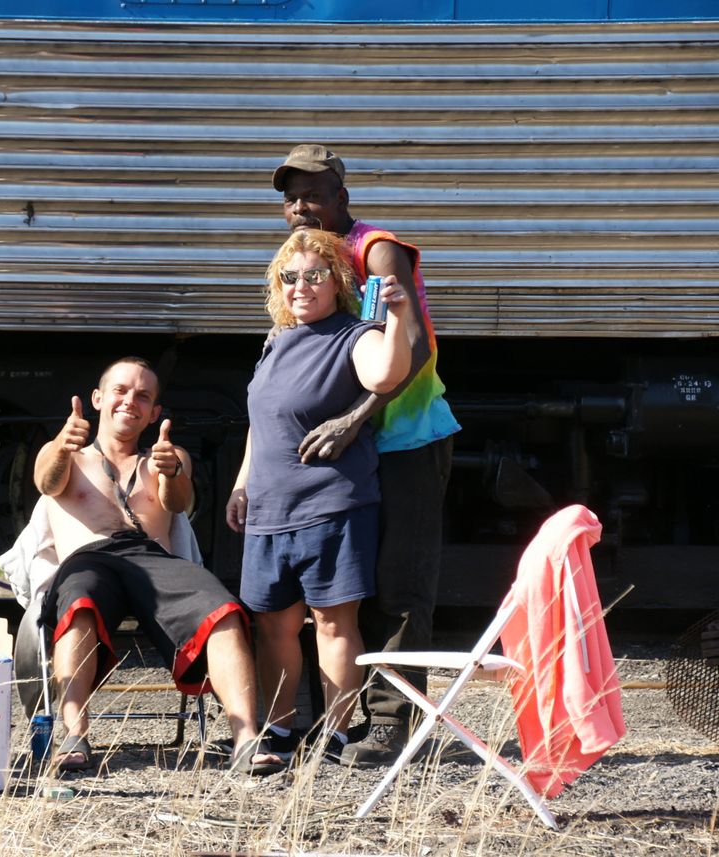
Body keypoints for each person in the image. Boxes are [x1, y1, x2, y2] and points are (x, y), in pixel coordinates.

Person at [269, 145, 460, 766]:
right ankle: (329, 720)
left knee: (399, 582)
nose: (301, 207)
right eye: (292, 197)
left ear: (342, 198)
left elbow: (414, 343)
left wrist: (354, 419)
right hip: (356, 448)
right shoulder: (308, 263)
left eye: (314, 194)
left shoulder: (373, 250)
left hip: (403, 438)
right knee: (345, 583)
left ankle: (394, 728)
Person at [35, 357, 285, 776]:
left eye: (143, 396)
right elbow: (47, 482)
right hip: (90, 559)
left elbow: (177, 503)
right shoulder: (66, 453)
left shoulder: (168, 456)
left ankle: (246, 739)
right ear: (98, 399)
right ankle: (74, 735)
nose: (129, 401)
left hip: (152, 559)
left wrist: (169, 473)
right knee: (79, 601)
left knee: (223, 610)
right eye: (120, 390)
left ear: (154, 414)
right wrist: (62, 445)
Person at [226, 229, 413, 763]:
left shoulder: (355, 335)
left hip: (332, 506)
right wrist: (241, 484)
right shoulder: (275, 340)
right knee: (273, 623)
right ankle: (280, 731)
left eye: (314, 275)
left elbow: (385, 373)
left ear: (338, 282)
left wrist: (397, 317)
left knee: (334, 622)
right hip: (268, 508)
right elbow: (259, 424)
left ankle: (333, 734)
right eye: (290, 277)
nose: (301, 287)